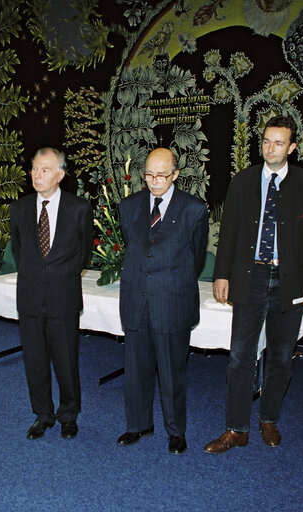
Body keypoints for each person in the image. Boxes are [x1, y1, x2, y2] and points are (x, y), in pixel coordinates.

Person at [205, 116, 303, 454]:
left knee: (282, 356)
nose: (271, 148)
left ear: (292, 147)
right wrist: (221, 274)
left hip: (291, 282)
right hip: (250, 277)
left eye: (279, 143)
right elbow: (227, 232)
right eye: (267, 141)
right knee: (240, 356)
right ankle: (236, 429)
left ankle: (269, 419)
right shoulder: (243, 181)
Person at [116, 147, 209, 455]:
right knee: (136, 370)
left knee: (172, 373)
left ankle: (175, 431)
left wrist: (170, 280)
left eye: (162, 175)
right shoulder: (128, 206)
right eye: (149, 175)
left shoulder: (194, 209)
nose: (155, 181)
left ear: (175, 175)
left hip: (172, 301)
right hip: (136, 300)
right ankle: (138, 425)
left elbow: (195, 258)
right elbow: (136, 247)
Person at [10, 147, 93, 441]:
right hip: (30, 297)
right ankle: (42, 415)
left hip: (64, 297)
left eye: (44, 170)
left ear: (60, 174)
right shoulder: (19, 209)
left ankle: (69, 414)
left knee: (66, 361)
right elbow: (21, 252)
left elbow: (83, 253)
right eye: (34, 169)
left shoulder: (79, 208)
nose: (36, 175)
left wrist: (58, 275)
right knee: (34, 360)